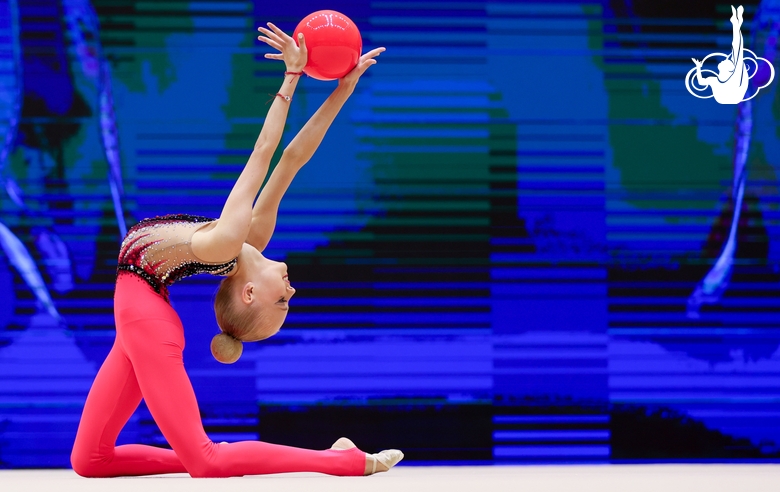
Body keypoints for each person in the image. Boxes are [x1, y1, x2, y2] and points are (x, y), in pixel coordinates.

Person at [70, 22, 400, 478]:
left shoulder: (225, 240)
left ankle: (340, 461)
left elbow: (263, 152)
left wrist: (292, 78)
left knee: (206, 462)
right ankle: (333, 456)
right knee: (90, 460)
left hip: (144, 317)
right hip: (140, 310)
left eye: (281, 301)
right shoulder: (250, 239)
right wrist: (342, 90)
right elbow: (288, 158)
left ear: (247, 295)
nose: (293, 292)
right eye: (288, 301)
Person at [692, 5, 748, 104]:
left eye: (727, 61)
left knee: (737, 53)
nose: (725, 59)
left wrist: (736, 26)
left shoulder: (734, 77)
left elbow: (737, 48)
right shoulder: (715, 80)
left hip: (733, 95)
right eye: (728, 60)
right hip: (728, 97)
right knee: (737, 54)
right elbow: (701, 82)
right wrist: (698, 67)